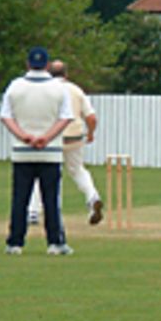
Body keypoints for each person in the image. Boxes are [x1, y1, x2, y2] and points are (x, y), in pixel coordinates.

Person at [0, 46, 75, 256]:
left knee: (20, 199)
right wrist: (47, 137)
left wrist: (24, 136)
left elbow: (6, 116)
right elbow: (66, 117)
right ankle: (55, 243)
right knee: (51, 199)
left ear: (28, 64)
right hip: (50, 152)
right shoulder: (59, 88)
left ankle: (15, 243)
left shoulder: (15, 86)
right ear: (47, 65)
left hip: (22, 151)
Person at [28, 59, 104, 226]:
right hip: (74, 137)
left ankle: (33, 212)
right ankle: (93, 198)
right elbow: (91, 117)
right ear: (66, 74)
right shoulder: (76, 90)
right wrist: (90, 134)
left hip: (51, 138)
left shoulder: (44, 89)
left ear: (48, 72)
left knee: (41, 172)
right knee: (77, 170)